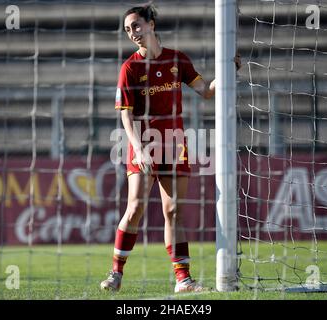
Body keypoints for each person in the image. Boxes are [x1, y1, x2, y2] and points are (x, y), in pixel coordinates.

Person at [100, 4, 241, 293]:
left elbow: (205, 92)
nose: (133, 33)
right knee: (136, 206)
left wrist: (229, 71)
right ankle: (116, 274)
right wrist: (139, 150)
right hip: (143, 143)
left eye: (137, 25)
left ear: (151, 24)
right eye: (128, 29)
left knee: (173, 210)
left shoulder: (177, 59)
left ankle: (183, 280)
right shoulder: (130, 68)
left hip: (175, 144)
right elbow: (125, 115)